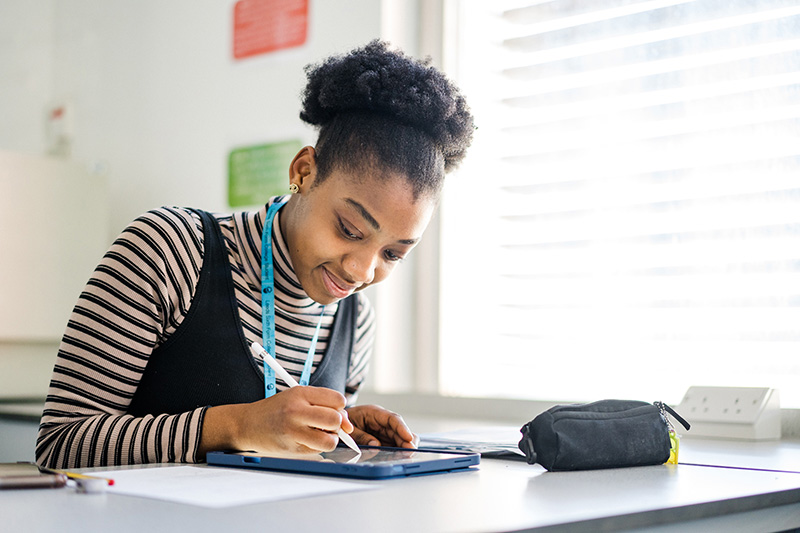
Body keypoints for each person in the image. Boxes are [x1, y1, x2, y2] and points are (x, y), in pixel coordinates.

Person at [36, 40, 474, 469]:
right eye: (349, 230)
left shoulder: (355, 320)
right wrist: (237, 425)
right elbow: (61, 442)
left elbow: (285, 468)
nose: (362, 269)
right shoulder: (171, 251)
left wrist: (337, 435)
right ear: (303, 172)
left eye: (393, 254)